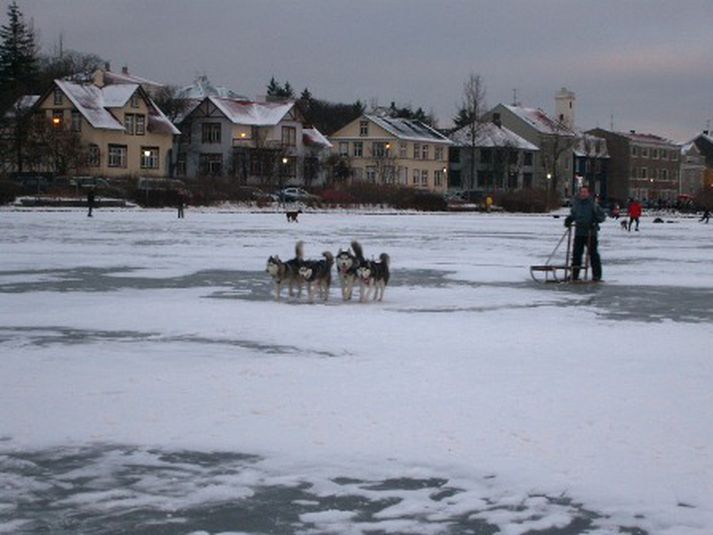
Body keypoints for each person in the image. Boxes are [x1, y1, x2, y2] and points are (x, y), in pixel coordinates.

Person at [564, 185, 606, 281]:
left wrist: (594, 221)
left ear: (588, 193)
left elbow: (601, 216)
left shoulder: (593, 204)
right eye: (581, 192)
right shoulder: (577, 203)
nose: (583, 194)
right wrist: (569, 219)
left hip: (590, 233)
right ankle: (574, 274)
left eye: (585, 192)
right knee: (576, 254)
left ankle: (596, 275)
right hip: (579, 232)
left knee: (593, 254)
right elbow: (574, 214)